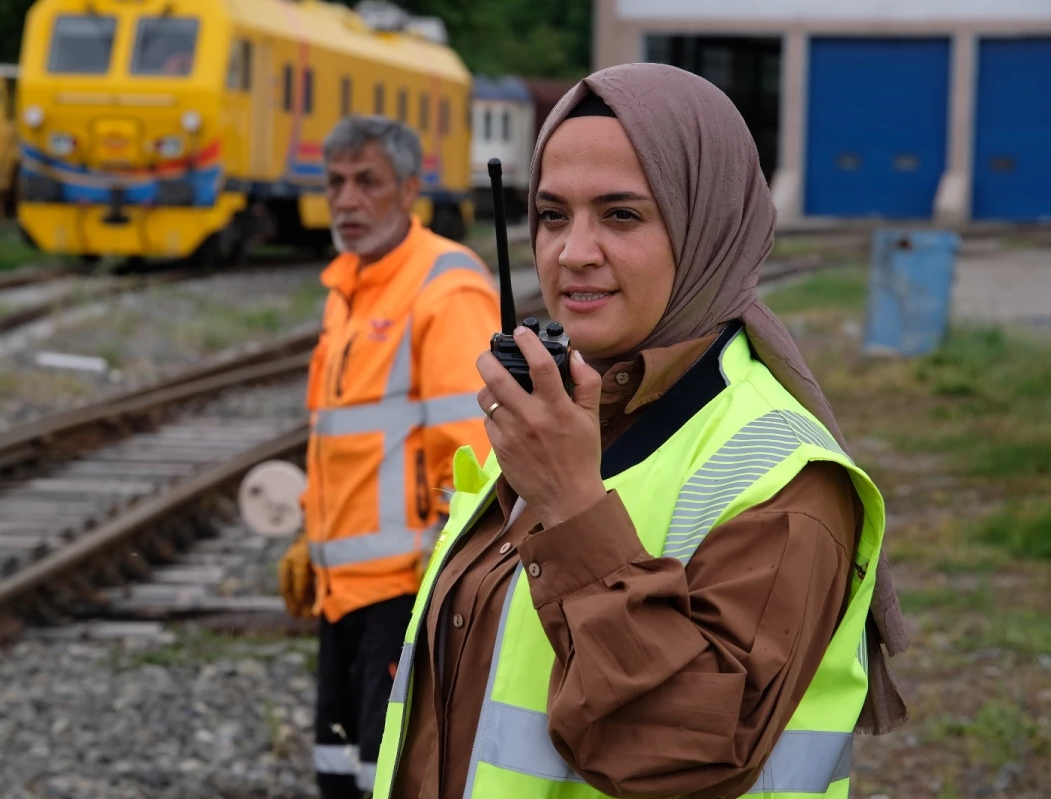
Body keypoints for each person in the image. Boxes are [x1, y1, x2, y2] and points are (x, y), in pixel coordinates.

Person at [371, 65, 911, 799]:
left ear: (707, 224)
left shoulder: (788, 482)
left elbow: (683, 759)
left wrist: (571, 511)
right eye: (554, 215)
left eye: (621, 215)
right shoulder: (571, 414)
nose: (573, 252)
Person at [276, 115, 500, 799]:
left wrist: (441, 580)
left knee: (389, 776)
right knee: (339, 771)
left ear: (409, 190)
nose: (346, 201)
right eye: (335, 182)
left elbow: (474, 453)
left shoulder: (444, 286)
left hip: (404, 589)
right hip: (343, 589)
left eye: (366, 182)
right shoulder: (351, 286)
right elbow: (344, 445)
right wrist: (311, 539)